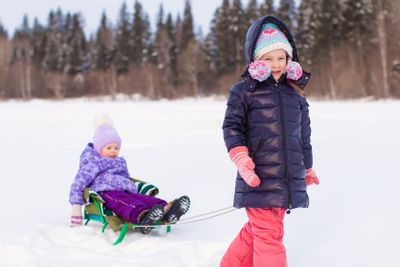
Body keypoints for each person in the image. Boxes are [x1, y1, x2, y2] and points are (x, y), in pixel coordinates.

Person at [220, 16, 320, 267]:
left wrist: (306, 167)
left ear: (289, 59)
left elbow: (303, 136)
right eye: (268, 58)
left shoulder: (295, 93)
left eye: (281, 58)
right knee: (269, 235)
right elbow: (232, 127)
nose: (276, 64)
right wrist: (241, 159)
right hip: (258, 177)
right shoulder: (244, 91)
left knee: (260, 230)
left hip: (286, 179)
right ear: (256, 61)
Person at [69, 122, 190, 234]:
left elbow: (126, 177)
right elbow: (78, 184)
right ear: (99, 149)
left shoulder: (120, 162)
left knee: (143, 198)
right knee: (126, 202)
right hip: (106, 193)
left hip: (125, 189)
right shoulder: (93, 163)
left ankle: (167, 210)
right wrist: (76, 208)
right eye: (109, 148)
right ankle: (142, 216)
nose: (113, 151)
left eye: (116, 148)